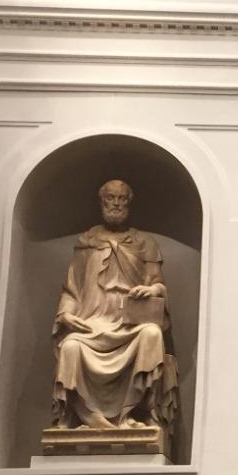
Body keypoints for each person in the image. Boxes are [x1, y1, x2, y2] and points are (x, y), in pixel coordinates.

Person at [52, 180, 179, 434]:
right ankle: (79, 416)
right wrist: (65, 314)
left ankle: (138, 413)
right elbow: (72, 288)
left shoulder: (144, 242)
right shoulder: (87, 243)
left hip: (130, 325)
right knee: (70, 346)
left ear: (129, 203)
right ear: (101, 202)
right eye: (110, 198)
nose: (116, 204)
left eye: (122, 199)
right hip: (93, 325)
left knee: (151, 334)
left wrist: (153, 290)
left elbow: (157, 283)